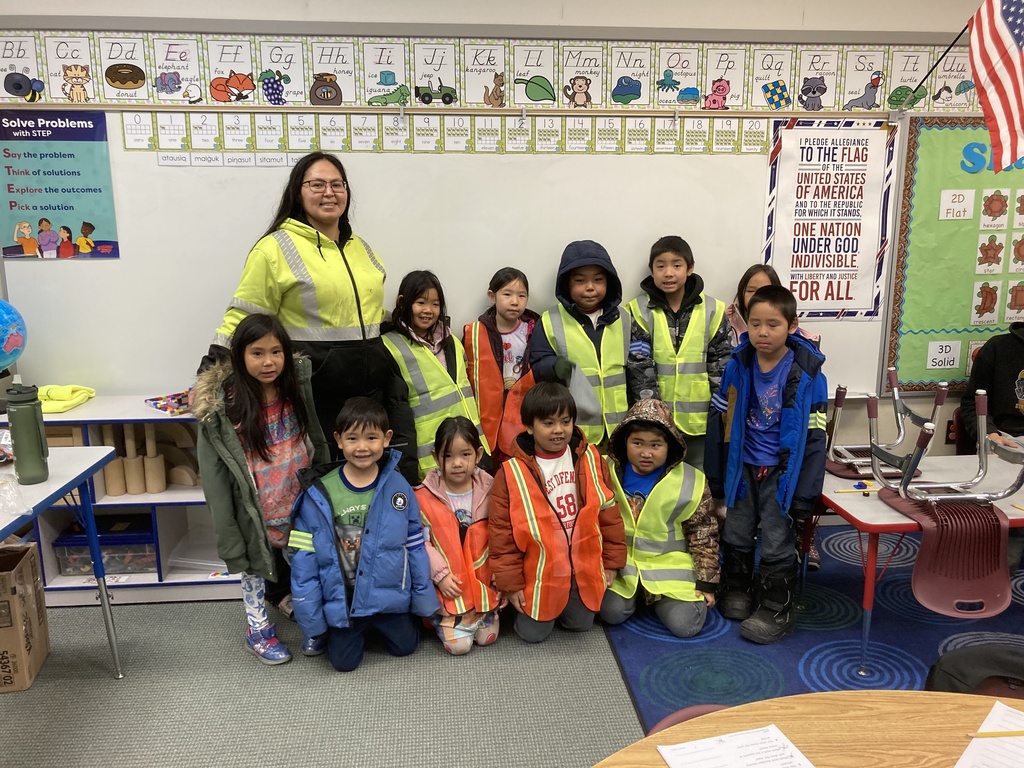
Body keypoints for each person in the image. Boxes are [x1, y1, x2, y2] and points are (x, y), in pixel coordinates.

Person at [199, 152, 390, 455]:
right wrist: (211, 375)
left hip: (368, 397)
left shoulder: (362, 249)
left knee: (362, 487)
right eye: (317, 184)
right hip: (312, 394)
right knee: (321, 483)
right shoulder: (274, 248)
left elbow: (371, 315)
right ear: (297, 193)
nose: (329, 192)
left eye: (337, 184)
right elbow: (245, 317)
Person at [193, 313, 329, 665]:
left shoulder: (296, 387)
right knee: (254, 572)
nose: (268, 362)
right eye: (257, 353)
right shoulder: (225, 407)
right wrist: (229, 533)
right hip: (256, 513)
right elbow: (216, 479)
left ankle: (310, 618)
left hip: (298, 507)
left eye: (276, 352)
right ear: (240, 356)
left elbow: (315, 440)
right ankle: (257, 629)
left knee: (303, 564)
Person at [706, 285, 828, 645]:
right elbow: (723, 425)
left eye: (772, 324)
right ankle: (739, 588)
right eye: (756, 323)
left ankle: (777, 606)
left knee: (776, 537)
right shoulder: (737, 366)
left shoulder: (808, 374)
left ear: (792, 325)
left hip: (782, 472)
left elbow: (816, 435)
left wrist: (807, 492)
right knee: (737, 530)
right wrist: (717, 479)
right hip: (742, 467)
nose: (762, 332)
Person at [288, 397, 440, 672]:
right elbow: (303, 562)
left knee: (406, 648)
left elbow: (415, 546)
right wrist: (313, 622)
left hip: (388, 599)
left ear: (386, 438)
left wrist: (423, 600)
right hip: (346, 603)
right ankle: (352, 632)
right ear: (338, 440)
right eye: (352, 438)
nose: (362, 447)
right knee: (344, 664)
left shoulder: (399, 487)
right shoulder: (318, 493)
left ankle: (381, 626)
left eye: (371, 437)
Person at [489, 382, 626, 643]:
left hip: (583, 569)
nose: (558, 430)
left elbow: (609, 515)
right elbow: (501, 536)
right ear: (529, 427)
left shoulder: (591, 459)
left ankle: (567, 604)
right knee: (533, 635)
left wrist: (611, 562)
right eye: (548, 423)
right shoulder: (510, 473)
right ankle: (534, 612)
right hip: (540, 572)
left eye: (565, 422)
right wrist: (512, 584)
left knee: (581, 626)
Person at [600, 399, 719, 637]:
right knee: (609, 613)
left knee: (686, 626)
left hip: (669, 572)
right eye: (637, 443)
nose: (646, 453)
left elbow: (704, 534)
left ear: (670, 445)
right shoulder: (604, 471)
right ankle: (642, 595)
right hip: (623, 570)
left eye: (656, 445)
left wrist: (706, 583)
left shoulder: (691, 481)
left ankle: (655, 596)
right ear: (624, 443)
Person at [625, 235, 732, 469]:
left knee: (699, 488)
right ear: (652, 271)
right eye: (660, 266)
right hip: (657, 429)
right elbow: (639, 366)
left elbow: (722, 365)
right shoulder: (639, 311)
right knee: (663, 488)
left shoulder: (713, 310)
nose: (668, 273)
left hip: (701, 425)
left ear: (690, 268)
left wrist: (718, 416)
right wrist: (655, 417)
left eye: (676, 265)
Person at [383, 269, 489, 484]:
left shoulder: (452, 342)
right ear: (403, 303)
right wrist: (407, 468)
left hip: (472, 455)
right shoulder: (390, 347)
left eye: (435, 304)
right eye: (421, 302)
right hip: (431, 463)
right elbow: (397, 415)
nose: (428, 310)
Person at [528, 240, 632, 447]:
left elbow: (637, 370)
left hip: (621, 429)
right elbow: (537, 363)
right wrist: (555, 367)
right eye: (580, 281)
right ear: (567, 284)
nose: (590, 287)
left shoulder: (625, 318)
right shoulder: (550, 320)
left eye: (598, 279)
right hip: (575, 432)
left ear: (609, 282)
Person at [416, 416, 501, 655]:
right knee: (459, 647)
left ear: (478, 454)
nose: (457, 463)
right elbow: (420, 542)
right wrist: (440, 575)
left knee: (487, 638)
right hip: (448, 583)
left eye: (465, 455)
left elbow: (501, 535)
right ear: (435, 457)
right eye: (448, 456)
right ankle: (444, 620)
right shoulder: (423, 497)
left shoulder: (492, 490)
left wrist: (499, 575)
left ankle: (483, 614)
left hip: (482, 580)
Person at [959, 322, 1024, 574]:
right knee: (1010, 502)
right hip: (1006, 438)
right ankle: (999, 573)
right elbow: (971, 405)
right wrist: (989, 435)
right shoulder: (998, 348)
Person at [464, 266, 539, 465]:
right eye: (507, 294)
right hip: (486, 425)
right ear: (492, 296)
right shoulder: (475, 332)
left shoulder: (535, 330)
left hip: (522, 422)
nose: (515, 301)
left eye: (521, 295)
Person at [725, 263, 820, 347]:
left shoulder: (799, 342)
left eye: (772, 325)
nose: (757, 296)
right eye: (750, 291)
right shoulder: (725, 326)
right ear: (742, 293)